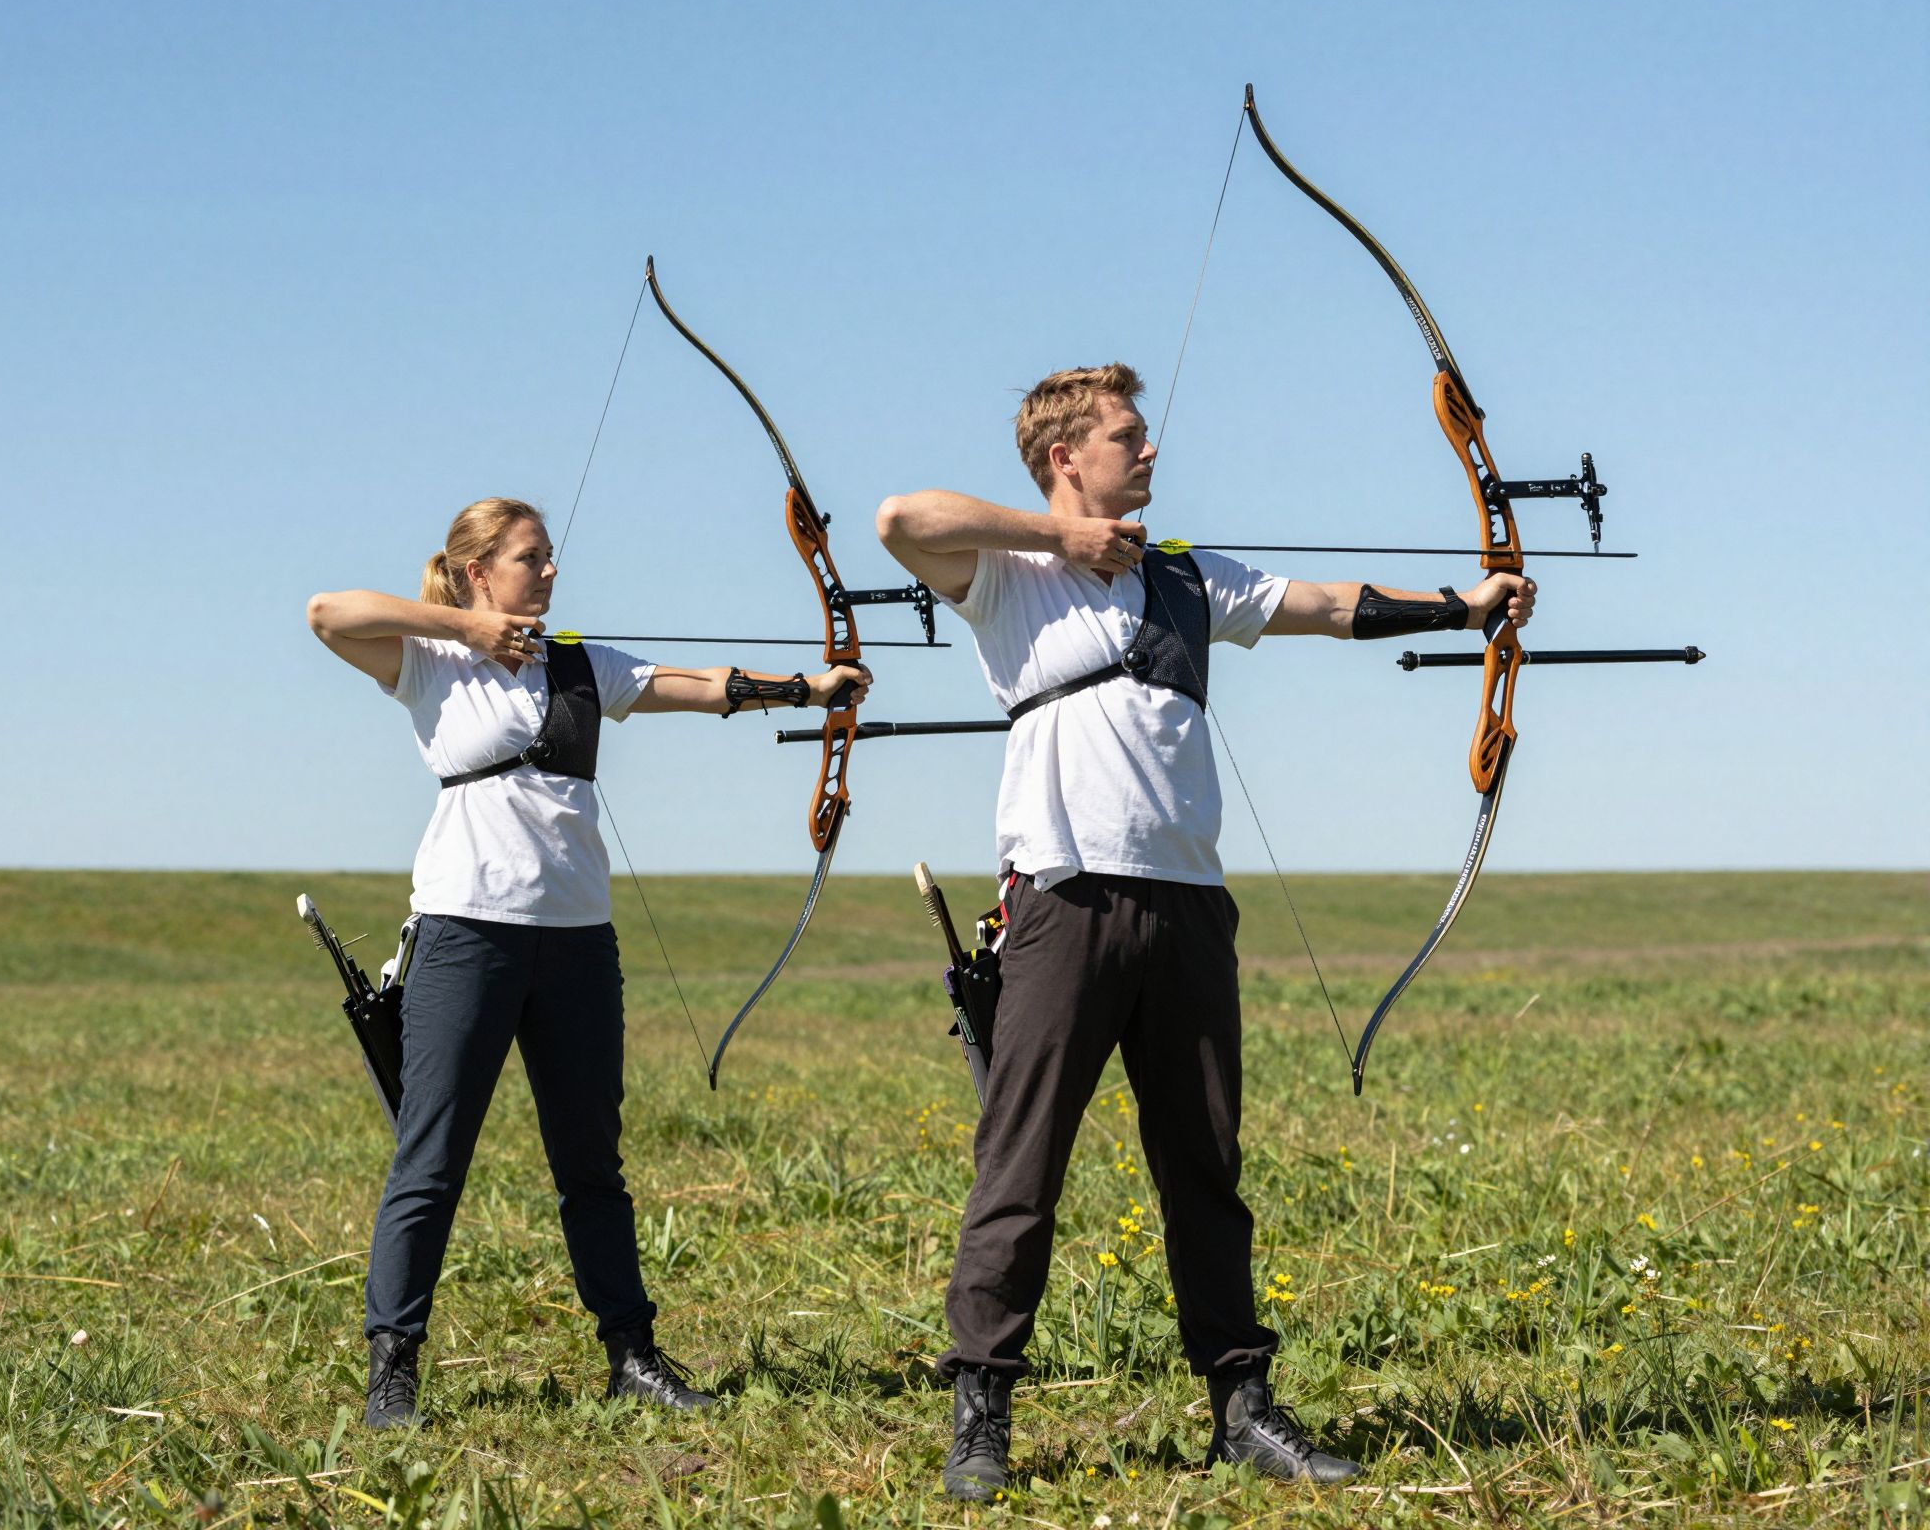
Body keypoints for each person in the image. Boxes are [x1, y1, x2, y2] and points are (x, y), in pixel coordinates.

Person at [874, 365, 1534, 1497]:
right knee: (1019, 1165)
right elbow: (897, 520)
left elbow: (1324, 606)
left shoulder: (1185, 579)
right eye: (1128, 437)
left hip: (1186, 905)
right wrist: (1060, 541)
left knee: (1204, 1169)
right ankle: (980, 1412)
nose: (1150, 453)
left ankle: (1240, 1411)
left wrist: (1462, 606)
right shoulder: (1007, 577)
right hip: (1064, 900)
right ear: (1063, 456)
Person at [306, 496, 870, 1428]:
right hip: (465, 932)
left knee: (591, 1164)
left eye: (551, 556)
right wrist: (468, 628)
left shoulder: (579, 665)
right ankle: (393, 1370)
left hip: (576, 940)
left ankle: (633, 1356)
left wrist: (807, 690)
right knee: (431, 1156)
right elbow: (328, 613)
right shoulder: (430, 664)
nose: (553, 571)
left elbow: (689, 684)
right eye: (532, 559)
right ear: (482, 570)